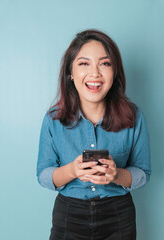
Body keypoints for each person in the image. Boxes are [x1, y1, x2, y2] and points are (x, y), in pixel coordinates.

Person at [36, 29, 151, 240]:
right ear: (71, 73)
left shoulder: (134, 117)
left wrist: (117, 175)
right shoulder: (53, 119)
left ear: (114, 72)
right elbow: (43, 175)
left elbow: (143, 173)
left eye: (105, 63)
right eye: (84, 63)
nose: (95, 73)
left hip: (118, 215)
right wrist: (72, 170)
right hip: (69, 215)